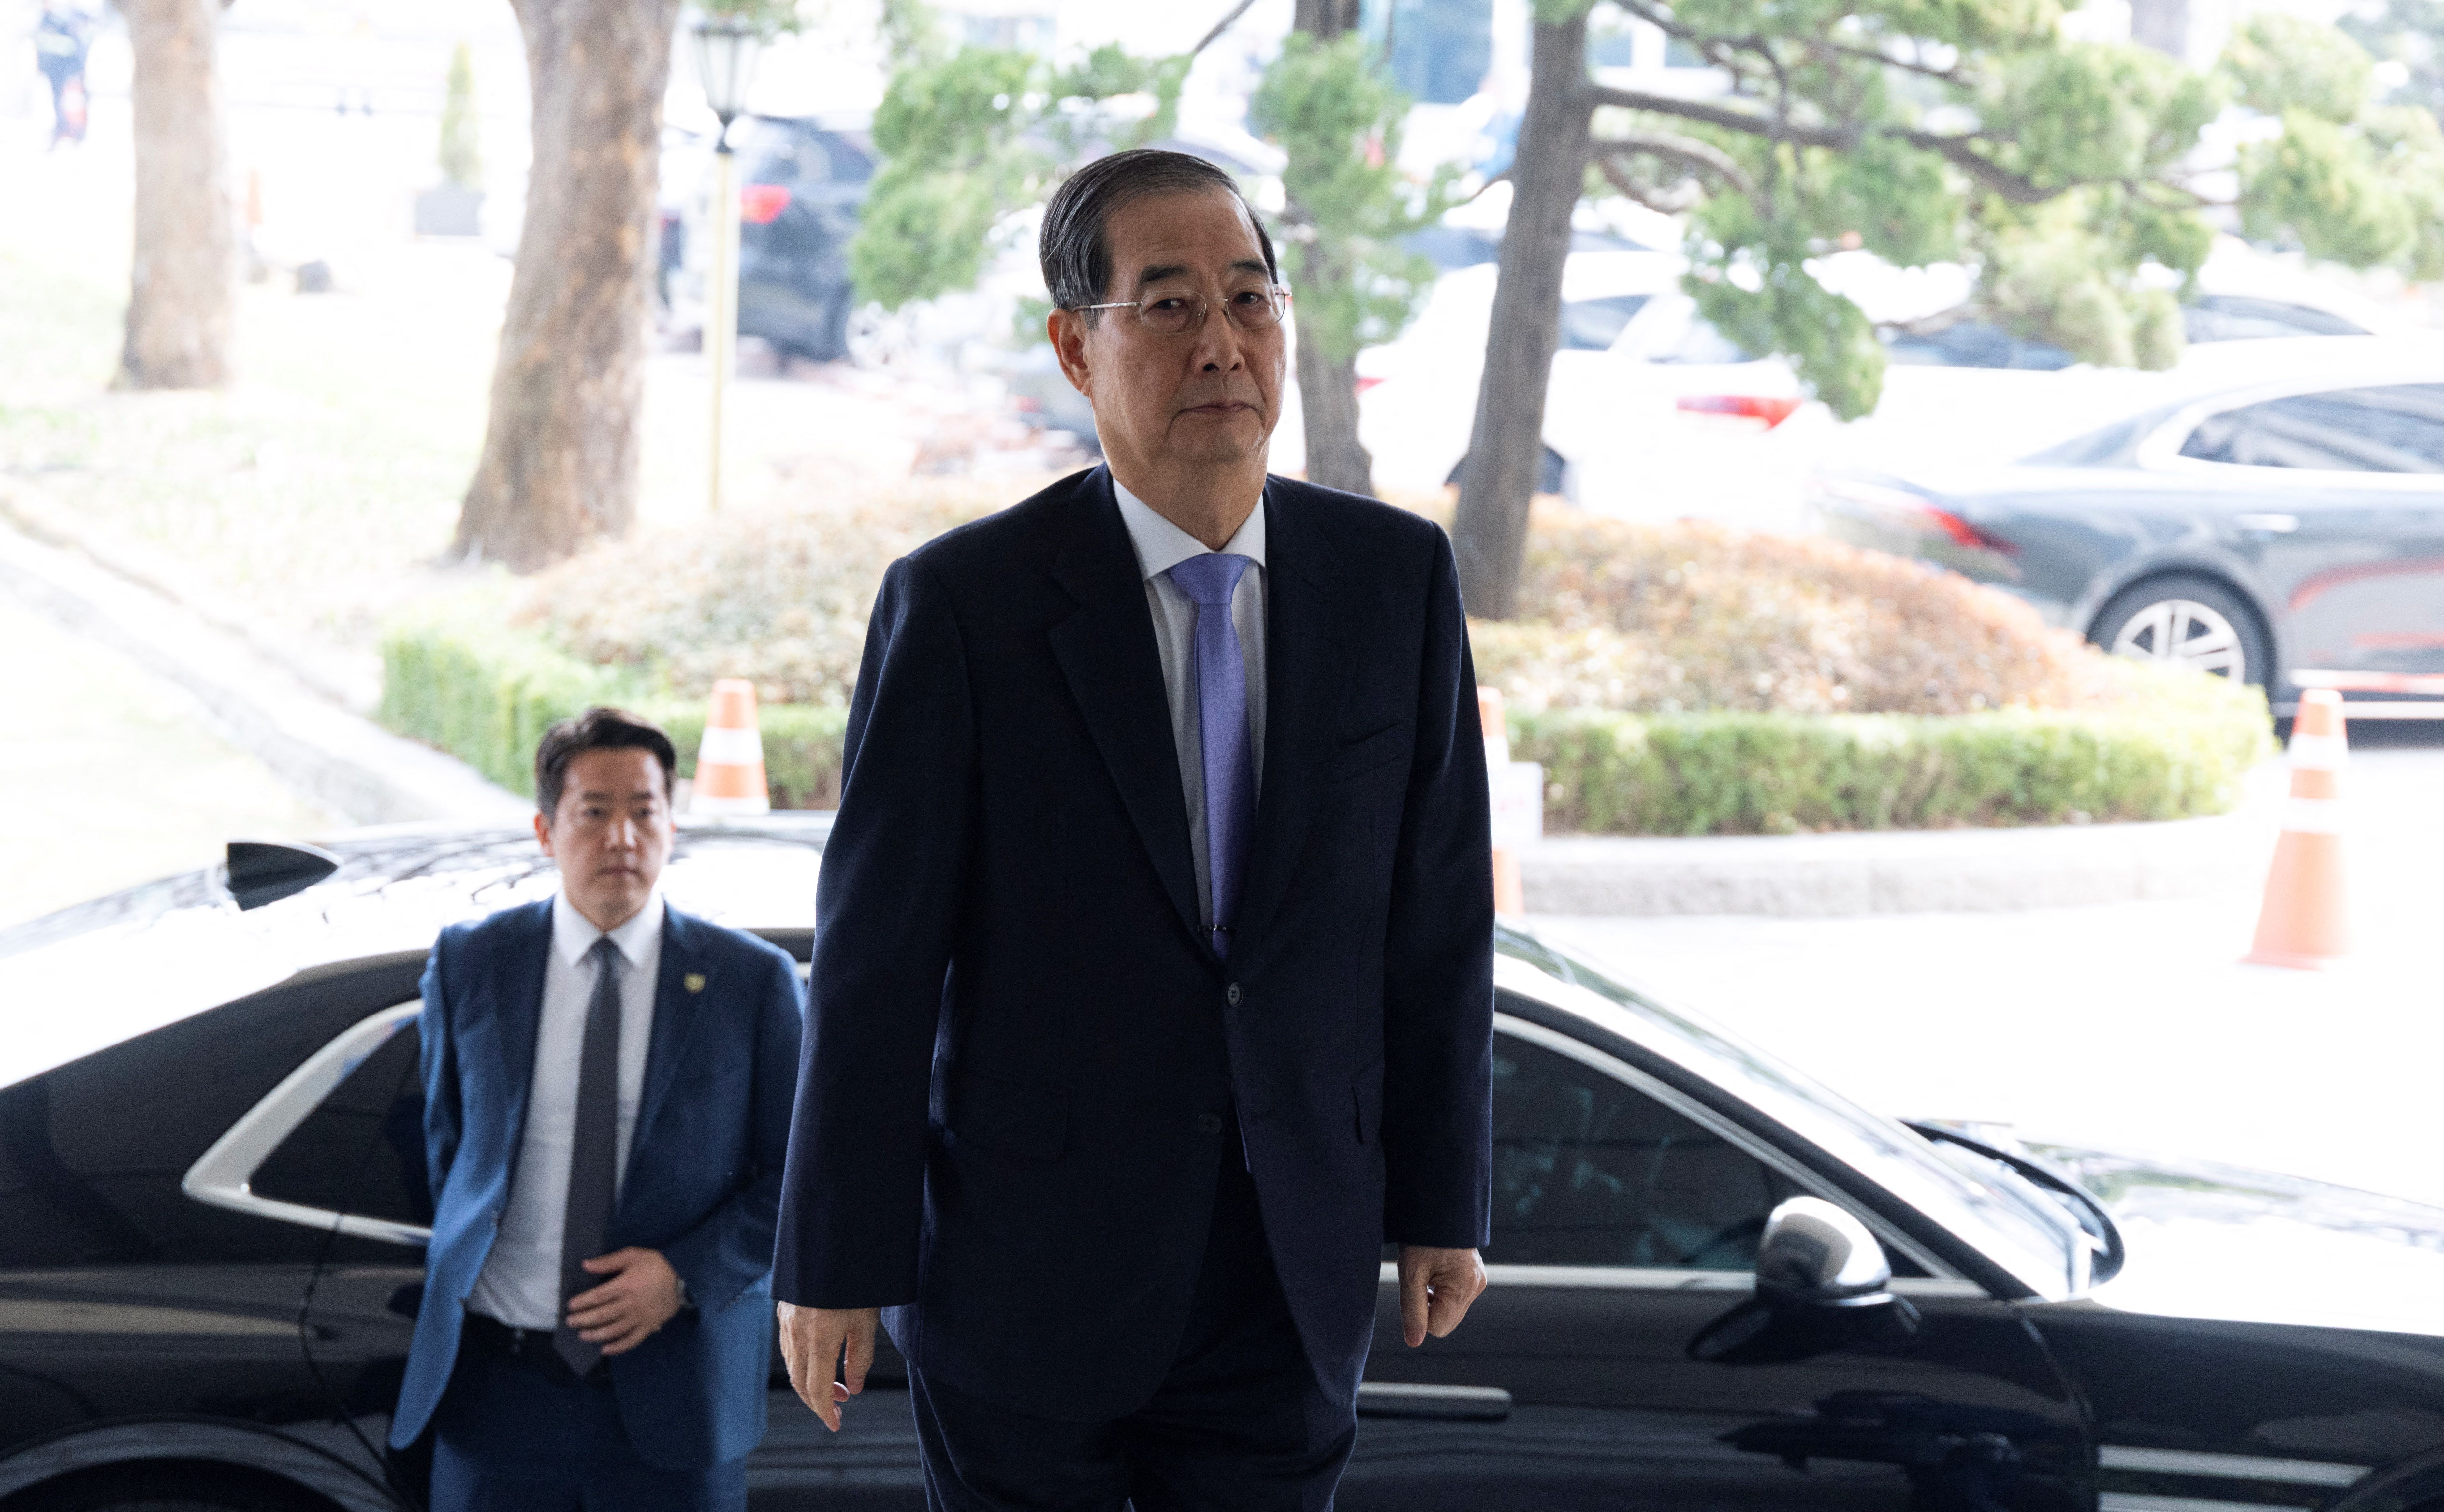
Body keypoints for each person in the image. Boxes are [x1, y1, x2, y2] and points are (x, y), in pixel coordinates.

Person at [773, 148, 1496, 1510]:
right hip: (1025, 1275)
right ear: (1075, 347)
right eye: (1168, 306)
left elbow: (1439, 922)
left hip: (1290, 1264)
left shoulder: (1395, 580)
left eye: (1250, 298)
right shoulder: (967, 606)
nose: (1222, 342)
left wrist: (1441, 1200)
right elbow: (877, 959)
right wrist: (833, 1258)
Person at [390, 708, 805, 1512]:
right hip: (496, 1394)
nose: (622, 837)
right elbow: (450, 1148)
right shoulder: (473, 962)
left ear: (671, 826)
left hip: (675, 1398)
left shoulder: (750, 981)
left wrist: (685, 1274)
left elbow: (799, 1177)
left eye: (644, 812)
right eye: (594, 812)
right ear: (546, 830)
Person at [34, 3, 88, 149]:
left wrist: (76, 69)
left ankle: (75, 132)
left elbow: (73, 44)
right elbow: (41, 44)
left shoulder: (64, 18)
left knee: (71, 101)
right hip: (53, 70)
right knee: (58, 101)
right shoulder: (45, 19)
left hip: (66, 70)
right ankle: (62, 130)